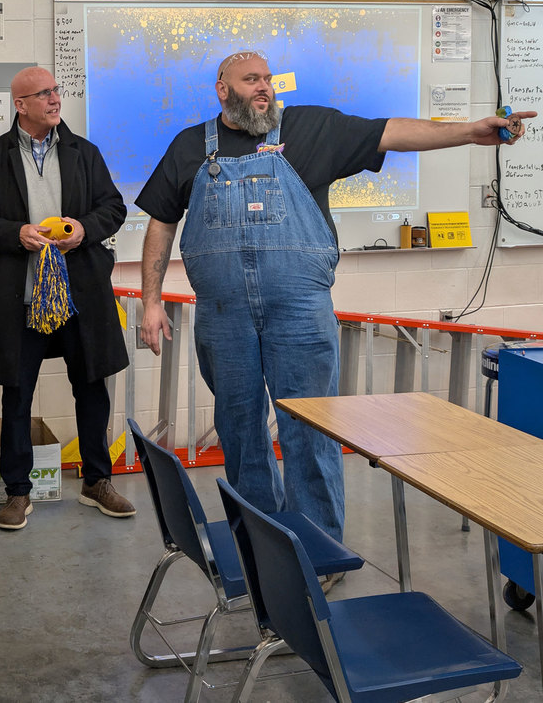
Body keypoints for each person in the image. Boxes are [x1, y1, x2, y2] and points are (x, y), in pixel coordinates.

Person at [137, 49, 536, 543]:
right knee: (238, 428)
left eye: (267, 79)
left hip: (300, 312)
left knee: (309, 425)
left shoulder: (308, 130)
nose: (263, 87)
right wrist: (151, 300)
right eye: (250, 79)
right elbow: (160, 220)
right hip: (223, 315)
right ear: (223, 90)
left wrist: (470, 132)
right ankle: (260, 542)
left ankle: (318, 544)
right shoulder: (190, 146)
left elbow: (391, 131)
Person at [0, 66, 134, 531]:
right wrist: (15, 233)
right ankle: (18, 491)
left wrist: (82, 230)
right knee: (17, 393)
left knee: (92, 388)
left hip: (81, 296)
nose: (56, 99)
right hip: (23, 297)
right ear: (20, 105)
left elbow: (114, 208)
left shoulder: (84, 153)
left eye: (57, 90)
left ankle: (97, 482)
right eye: (44, 93)